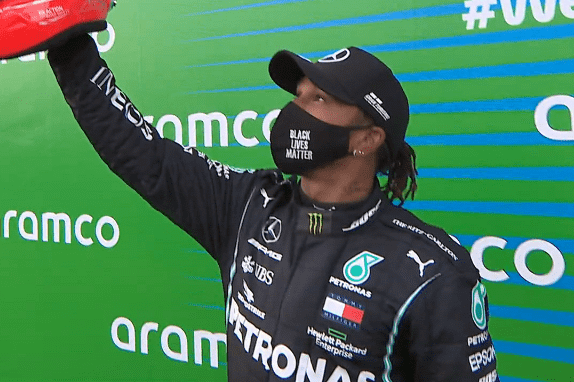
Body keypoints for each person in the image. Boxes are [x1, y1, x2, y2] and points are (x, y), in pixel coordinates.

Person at [47, 36, 499, 382]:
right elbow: (142, 154)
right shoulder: (246, 205)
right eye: (298, 94)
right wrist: (67, 43)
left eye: (318, 99)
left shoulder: (433, 274)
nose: (294, 109)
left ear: (367, 138)